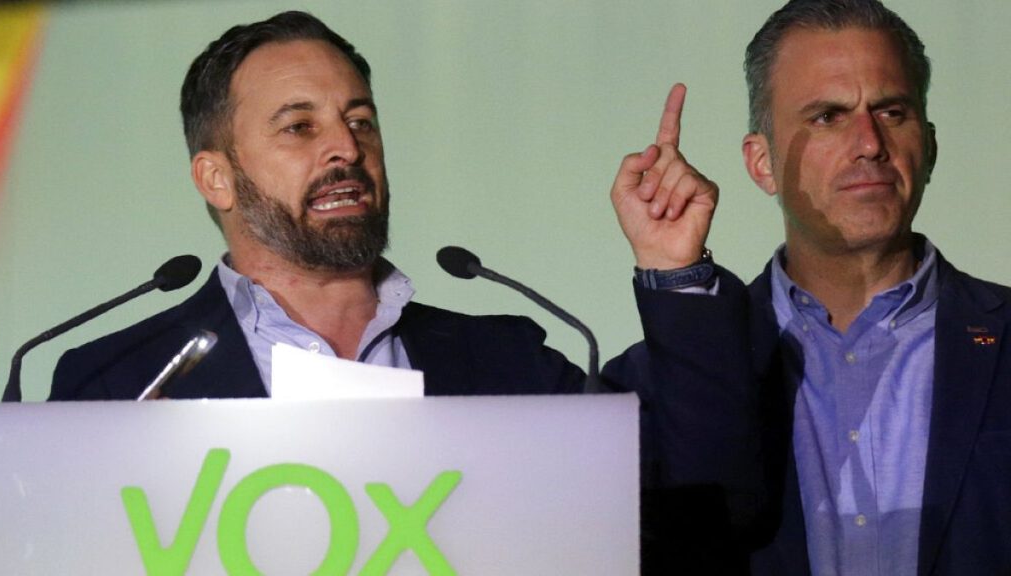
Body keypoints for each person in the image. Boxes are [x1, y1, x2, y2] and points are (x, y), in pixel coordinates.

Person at [50, 12, 760, 571]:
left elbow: (715, 508)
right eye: (301, 127)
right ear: (216, 177)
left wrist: (673, 269)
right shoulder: (113, 383)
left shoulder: (508, 364)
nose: (347, 150)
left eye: (360, 121)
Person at [610, 0, 1011, 573]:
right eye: (828, 116)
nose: (870, 143)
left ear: (930, 145)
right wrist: (676, 274)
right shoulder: (658, 381)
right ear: (762, 163)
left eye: (892, 112)